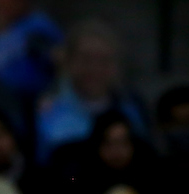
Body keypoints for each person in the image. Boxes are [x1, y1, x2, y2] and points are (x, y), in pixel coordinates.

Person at [35, 19, 148, 162]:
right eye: (85, 59)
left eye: (104, 60)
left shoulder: (133, 110)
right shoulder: (46, 111)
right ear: (68, 61)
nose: (94, 69)